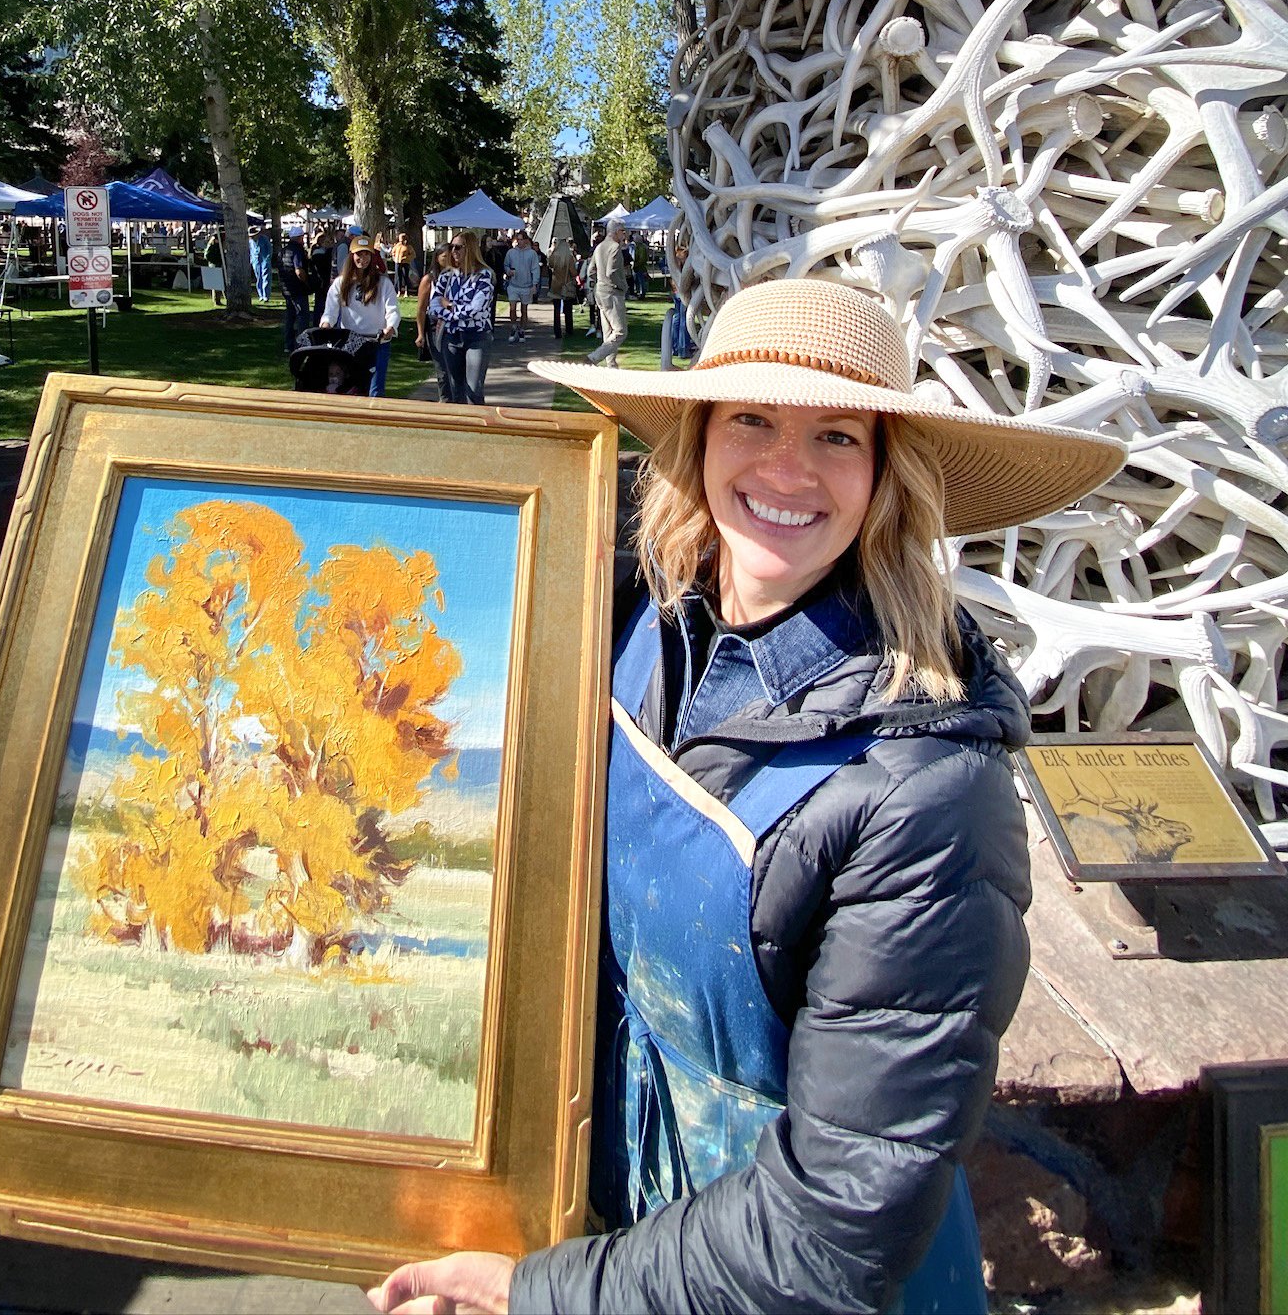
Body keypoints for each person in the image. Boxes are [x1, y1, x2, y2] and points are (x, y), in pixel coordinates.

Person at [371, 276, 1125, 1315]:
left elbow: (837, 1228)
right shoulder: (631, 624)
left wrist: (541, 1293)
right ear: (698, 439)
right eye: (753, 418)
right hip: (628, 1231)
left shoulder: (926, 791)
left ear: (887, 474)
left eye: (837, 436)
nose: (786, 467)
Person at [321, 237, 400, 398]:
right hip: (350, 344)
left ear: (372, 257)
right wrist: (326, 323)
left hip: (377, 342)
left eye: (366, 255)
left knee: (375, 390)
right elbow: (330, 310)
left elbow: (392, 310)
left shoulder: (383, 283)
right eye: (359, 254)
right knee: (351, 387)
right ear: (351, 256)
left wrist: (390, 327)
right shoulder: (340, 283)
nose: (362, 259)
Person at [429, 231, 497, 406]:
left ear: (470, 249)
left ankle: (477, 427)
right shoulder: (447, 276)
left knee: (473, 390)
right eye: (451, 247)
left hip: (477, 336)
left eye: (458, 247)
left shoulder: (484, 275)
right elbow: (434, 307)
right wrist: (452, 313)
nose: (453, 251)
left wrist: (450, 306)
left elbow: (476, 308)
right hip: (452, 337)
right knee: (455, 389)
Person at [586, 213, 629, 366]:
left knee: (608, 332)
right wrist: (623, 286)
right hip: (612, 292)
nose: (624, 234)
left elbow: (591, 270)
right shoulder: (615, 248)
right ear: (615, 231)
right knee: (620, 332)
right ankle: (594, 357)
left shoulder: (599, 247)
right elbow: (611, 272)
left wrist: (593, 285)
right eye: (622, 231)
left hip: (600, 292)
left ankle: (611, 365)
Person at [416, 244, 454, 402]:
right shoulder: (429, 280)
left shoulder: (459, 277)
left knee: (456, 367)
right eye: (444, 257)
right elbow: (421, 309)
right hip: (435, 327)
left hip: (455, 325)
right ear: (437, 259)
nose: (448, 260)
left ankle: (458, 401)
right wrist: (420, 333)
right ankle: (445, 401)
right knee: (442, 369)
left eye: (450, 257)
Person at [503, 232, 542, 342]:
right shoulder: (511, 252)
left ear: (525, 240)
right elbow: (506, 264)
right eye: (518, 239)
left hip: (526, 285)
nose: (519, 242)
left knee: (524, 310)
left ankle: (522, 329)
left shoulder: (532, 254)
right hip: (513, 285)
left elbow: (535, 269)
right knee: (512, 308)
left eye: (521, 239)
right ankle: (513, 327)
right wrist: (508, 271)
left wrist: (535, 284)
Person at [279, 234, 312, 353]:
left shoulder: (283, 251)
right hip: (298, 289)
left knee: (290, 317)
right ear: (299, 238)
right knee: (303, 317)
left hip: (286, 288)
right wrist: (306, 282)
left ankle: (288, 345)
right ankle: (301, 344)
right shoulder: (297, 250)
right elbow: (299, 271)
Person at [547, 233, 579, 340]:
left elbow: (550, 266)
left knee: (556, 310)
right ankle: (569, 329)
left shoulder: (553, 256)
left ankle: (557, 332)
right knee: (568, 309)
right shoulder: (569, 257)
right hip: (567, 283)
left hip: (556, 283)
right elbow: (573, 272)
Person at [249, 226, 273, 302]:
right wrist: (251, 261)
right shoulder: (250, 241)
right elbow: (250, 251)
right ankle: (261, 295)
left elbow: (269, 249)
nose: (252, 237)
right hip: (255, 261)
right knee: (258, 278)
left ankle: (266, 295)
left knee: (266, 277)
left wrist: (268, 258)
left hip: (264, 260)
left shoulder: (264, 239)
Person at [393, 231, 414, 297]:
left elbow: (413, 255)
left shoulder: (408, 247)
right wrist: (394, 258)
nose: (400, 241)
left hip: (405, 263)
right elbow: (393, 252)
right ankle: (399, 291)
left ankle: (406, 291)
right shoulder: (397, 246)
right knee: (398, 277)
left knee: (406, 277)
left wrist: (407, 259)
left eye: (402, 239)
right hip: (397, 262)